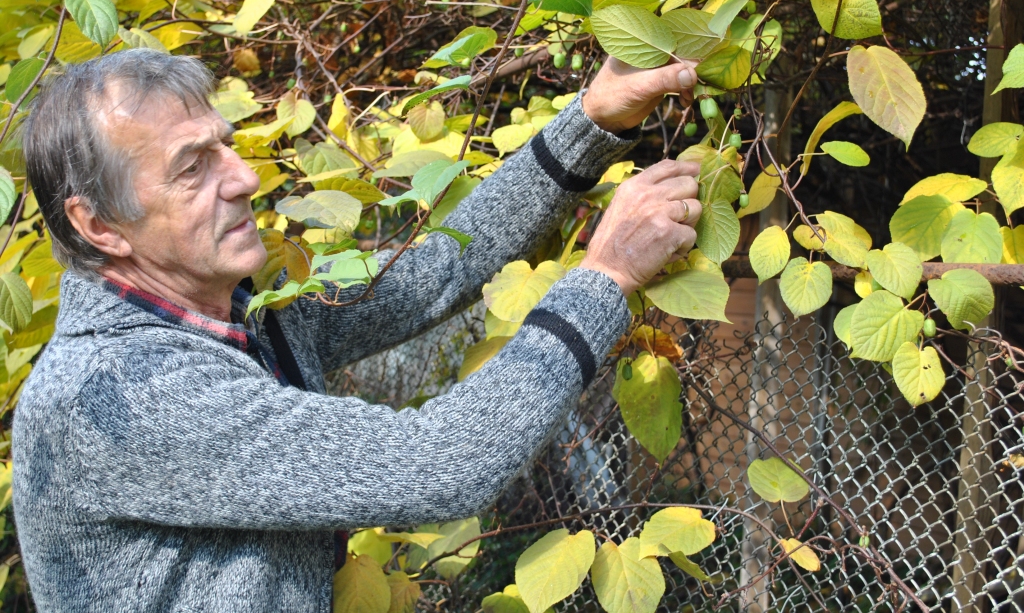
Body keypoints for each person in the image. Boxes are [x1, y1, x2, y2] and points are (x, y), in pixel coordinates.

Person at [12, 48, 701, 612]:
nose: (245, 177)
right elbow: (442, 464)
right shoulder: (118, 395)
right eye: (193, 168)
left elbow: (433, 272)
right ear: (98, 225)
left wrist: (590, 121)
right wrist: (603, 276)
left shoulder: (243, 307)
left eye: (224, 146)